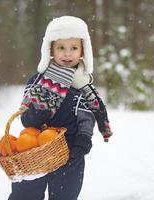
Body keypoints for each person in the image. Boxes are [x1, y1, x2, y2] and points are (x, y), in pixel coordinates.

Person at [8, 16, 112, 200]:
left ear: (82, 51)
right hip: (35, 148)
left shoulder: (84, 86)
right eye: (61, 48)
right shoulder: (38, 81)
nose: (67, 54)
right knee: (25, 193)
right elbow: (24, 117)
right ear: (51, 50)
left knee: (65, 195)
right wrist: (38, 112)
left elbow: (86, 119)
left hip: (70, 152)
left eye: (73, 48)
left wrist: (82, 141)